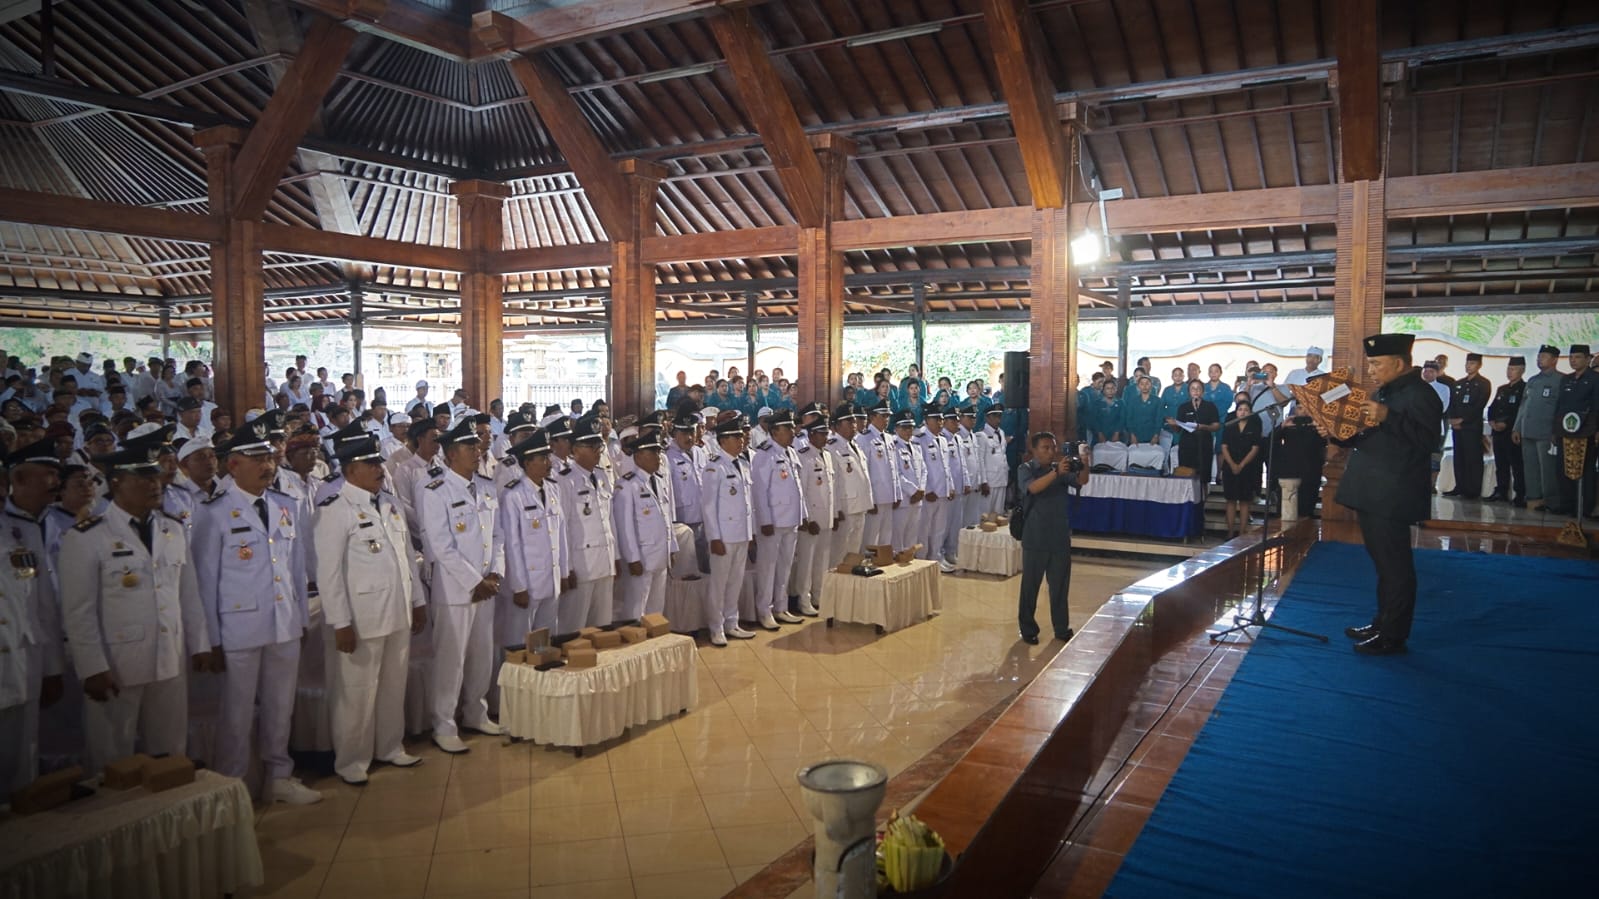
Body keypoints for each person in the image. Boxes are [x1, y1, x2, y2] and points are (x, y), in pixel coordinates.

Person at [59, 446, 213, 772]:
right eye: (141, 478)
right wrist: (91, 667)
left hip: (169, 654)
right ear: (116, 484)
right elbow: (78, 611)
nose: (153, 484)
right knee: (113, 758)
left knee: (171, 752)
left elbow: (188, 593)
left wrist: (199, 643)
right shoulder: (87, 536)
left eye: (154, 477)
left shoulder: (171, 528)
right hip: (116, 663)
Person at [190, 423, 321, 804]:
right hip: (238, 628)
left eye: (269, 457)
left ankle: (279, 776)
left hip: (282, 621)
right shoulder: (213, 513)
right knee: (237, 713)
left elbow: (296, 569)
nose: (268, 465)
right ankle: (235, 786)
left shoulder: (284, 505)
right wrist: (209, 639)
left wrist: (299, 619)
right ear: (233, 465)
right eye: (257, 458)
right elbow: (204, 581)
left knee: (281, 705)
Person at [1319, 333, 1443, 656]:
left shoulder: (1422, 395)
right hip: (1373, 488)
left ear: (1399, 363)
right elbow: (1368, 435)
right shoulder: (1385, 392)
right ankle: (1382, 621)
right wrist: (1337, 433)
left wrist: (1389, 417)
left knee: (1395, 565)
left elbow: (1428, 441)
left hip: (1393, 491)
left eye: (1376, 363)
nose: (1370, 369)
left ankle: (1394, 635)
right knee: (1382, 563)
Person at [315, 428, 426, 785]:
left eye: (379, 461)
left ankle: (390, 747)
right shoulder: (335, 510)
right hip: (360, 619)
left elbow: (407, 557)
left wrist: (418, 600)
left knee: (394, 686)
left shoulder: (390, 504)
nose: (379, 467)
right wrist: (340, 622)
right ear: (350, 470)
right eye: (370, 463)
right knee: (356, 692)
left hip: (397, 610)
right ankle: (351, 760)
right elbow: (328, 574)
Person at [415, 418, 504, 754]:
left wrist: (495, 573)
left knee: (481, 654)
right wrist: (474, 581)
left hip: (486, 587)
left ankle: (475, 712)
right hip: (455, 591)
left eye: (478, 446)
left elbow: (498, 536)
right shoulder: (434, 490)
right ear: (451, 453)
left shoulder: (486, 487)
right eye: (470, 447)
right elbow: (439, 545)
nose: (478, 451)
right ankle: (444, 723)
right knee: (451, 659)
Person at [2, 441, 66, 800]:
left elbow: (43, 605)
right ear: (20, 478)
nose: (55, 482)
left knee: (22, 765)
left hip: (22, 662)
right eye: (49, 474)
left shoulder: (22, 530)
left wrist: (52, 668)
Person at [1015, 432, 1090, 645]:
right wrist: (1055, 473)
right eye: (1045, 448)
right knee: (1030, 586)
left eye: (1053, 448)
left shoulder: (1059, 468)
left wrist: (1085, 462)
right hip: (1035, 537)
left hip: (1059, 537)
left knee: (1059, 586)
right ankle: (1028, 628)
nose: (1050, 452)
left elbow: (1082, 480)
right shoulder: (1026, 469)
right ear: (1034, 450)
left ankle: (1061, 627)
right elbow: (1032, 488)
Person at [499, 428, 568, 639]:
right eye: (542, 458)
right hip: (528, 581)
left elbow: (561, 534)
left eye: (548, 457)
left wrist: (564, 572)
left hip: (551, 577)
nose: (549, 463)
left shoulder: (553, 489)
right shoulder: (513, 495)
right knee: (519, 640)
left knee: (547, 638)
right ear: (527, 463)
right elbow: (512, 544)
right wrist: (518, 586)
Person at [700, 411, 755, 646]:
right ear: (723, 441)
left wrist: (750, 532)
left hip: (741, 533)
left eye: (741, 437)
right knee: (719, 583)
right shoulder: (715, 467)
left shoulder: (742, 464)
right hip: (723, 535)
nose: (741, 440)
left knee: (736, 581)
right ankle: (716, 626)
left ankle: (732, 622)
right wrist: (714, 537)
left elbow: (747, 503)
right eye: (735, 437)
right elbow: (708, 506)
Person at [751, 409, 806, 629]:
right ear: (775, 431)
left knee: (785, 567)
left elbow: (797, 488)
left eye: (793, 427)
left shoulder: (791, 452)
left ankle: (781, 607)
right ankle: (765, 610)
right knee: (768, 568)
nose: (793, 432)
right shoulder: (764, 454)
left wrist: (802, 515)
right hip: (772, 522)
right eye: (789, 428)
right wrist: (764, 520)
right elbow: (760, 491)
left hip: (790, 519)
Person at [613, 432, 672, 622]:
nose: (658, 457)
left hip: (660, 553)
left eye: (658, 451)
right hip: (642, 557)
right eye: (652, 452)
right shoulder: (627, 485)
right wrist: (632, 558)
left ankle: (654, 644)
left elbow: (666, 518)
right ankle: (635, 645)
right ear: (638, 457)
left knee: (657, 608)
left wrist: (672, 548)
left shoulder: (660, 481)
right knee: (636, 608)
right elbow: (625, 526)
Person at [792, 407, 839, 618]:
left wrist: (835, 513)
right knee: (807, 561)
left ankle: (819, 595)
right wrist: (805, 518)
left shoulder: (827, 455)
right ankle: (804, 598)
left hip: (826, 517)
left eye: (827, 433)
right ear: (811, 435)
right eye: (822, 434)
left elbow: (832, 488)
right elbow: (800, 491)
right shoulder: (804, 456)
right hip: (811, 519)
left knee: (822, 560)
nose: (826, 437)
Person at [1512, 345, 1564, 511]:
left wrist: (1556, 431)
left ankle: (1552, 502)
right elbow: (1523, 405)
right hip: (1528, 431)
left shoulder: (1561, 380)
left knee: (1547, 469)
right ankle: (1534, 499)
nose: (1539, 359)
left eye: (1544, 356)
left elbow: (1561, 409)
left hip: (1546, 433)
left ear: (1554, 359)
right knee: (1530, 468)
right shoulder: (1533, 380)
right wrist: (1517, 427)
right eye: (1539, 356)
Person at [1549, 344, 1598, 518]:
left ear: (1587, 359)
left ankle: (1585, 507)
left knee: (1586, 471)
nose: (1573, 360)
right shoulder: (1566, 379)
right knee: (1563, 468)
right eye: (1571, 357)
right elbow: (1560, 406)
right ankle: (1567, 504)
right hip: (1565, 432)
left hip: (1586, 433)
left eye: (1577, 357)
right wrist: (1555, 430)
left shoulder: (1594, 379)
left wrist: (1596, 430)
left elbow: (1596, 406)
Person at [1443, 353, 1491, 499]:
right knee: (1459, 457)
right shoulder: (1459, 383)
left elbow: (1479, 405)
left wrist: (1462, 420)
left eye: (1472, 363)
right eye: (1467, 363)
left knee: (1473, 458)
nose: (1468, 366)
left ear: (1479, 365)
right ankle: (1460, 486)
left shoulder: (1483, 383)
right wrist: (1452, 419)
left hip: (1471, 426)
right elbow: (1452, 402)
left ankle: (1473, 489)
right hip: (1457, 427)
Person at [856, 402, 900, 550]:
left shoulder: (889, 438)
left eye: (888, 416)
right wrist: (869, 500)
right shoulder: (864, 439)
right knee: (871, 537)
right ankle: (868, 564)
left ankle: (883, 565)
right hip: (875, 496)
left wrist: (897, 494)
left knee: (886, 536)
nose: (886, 419)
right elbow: (864, 471)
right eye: (883, 416)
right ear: (872, 417)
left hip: (889, 495)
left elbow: (894, 468)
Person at [1485, 356, 1527, 504]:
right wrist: (1492, 422)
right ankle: (1501, 491)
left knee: (1516, 464)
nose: (1510, 372)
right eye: (1508, 369)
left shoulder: (1524, 388)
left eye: (1514, 369)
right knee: (1500, 464)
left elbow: (1520, 411)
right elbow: (1493, 407)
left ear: (1522, 371)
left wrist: (1507, 424)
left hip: (1512, 433)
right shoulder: (1502, 389)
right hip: (1498, 432)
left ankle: (1520, 493)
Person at [1220, 399, 1263, 538]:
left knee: (1245, 501)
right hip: (1229, 466)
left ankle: (1242, 531)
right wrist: (1232, 464)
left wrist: (1241, 465)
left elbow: (1255, 448)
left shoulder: (1254, 427)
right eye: (1240, 409)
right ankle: (1230, 531)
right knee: (1231, 500)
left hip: (1247, 467)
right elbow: (1224, 447)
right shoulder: (1230, 426)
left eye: (1246, 410)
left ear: (1250, 413)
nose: (1242, 412)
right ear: (1236, 412)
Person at [1167, 380, 1220, 479]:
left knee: (1203, 476)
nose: (1195, 391)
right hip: (1187, 444)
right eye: (1193, 388)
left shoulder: (1210, 406)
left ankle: (1203, 494)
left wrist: (1202, 427)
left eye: (1198, 388)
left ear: (1203, 391)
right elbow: (1178, 429)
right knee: (1186, 474)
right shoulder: (1183, 407)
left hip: (1204, 443)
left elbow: (1216, 426)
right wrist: (1173, 424)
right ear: (1189, 392)